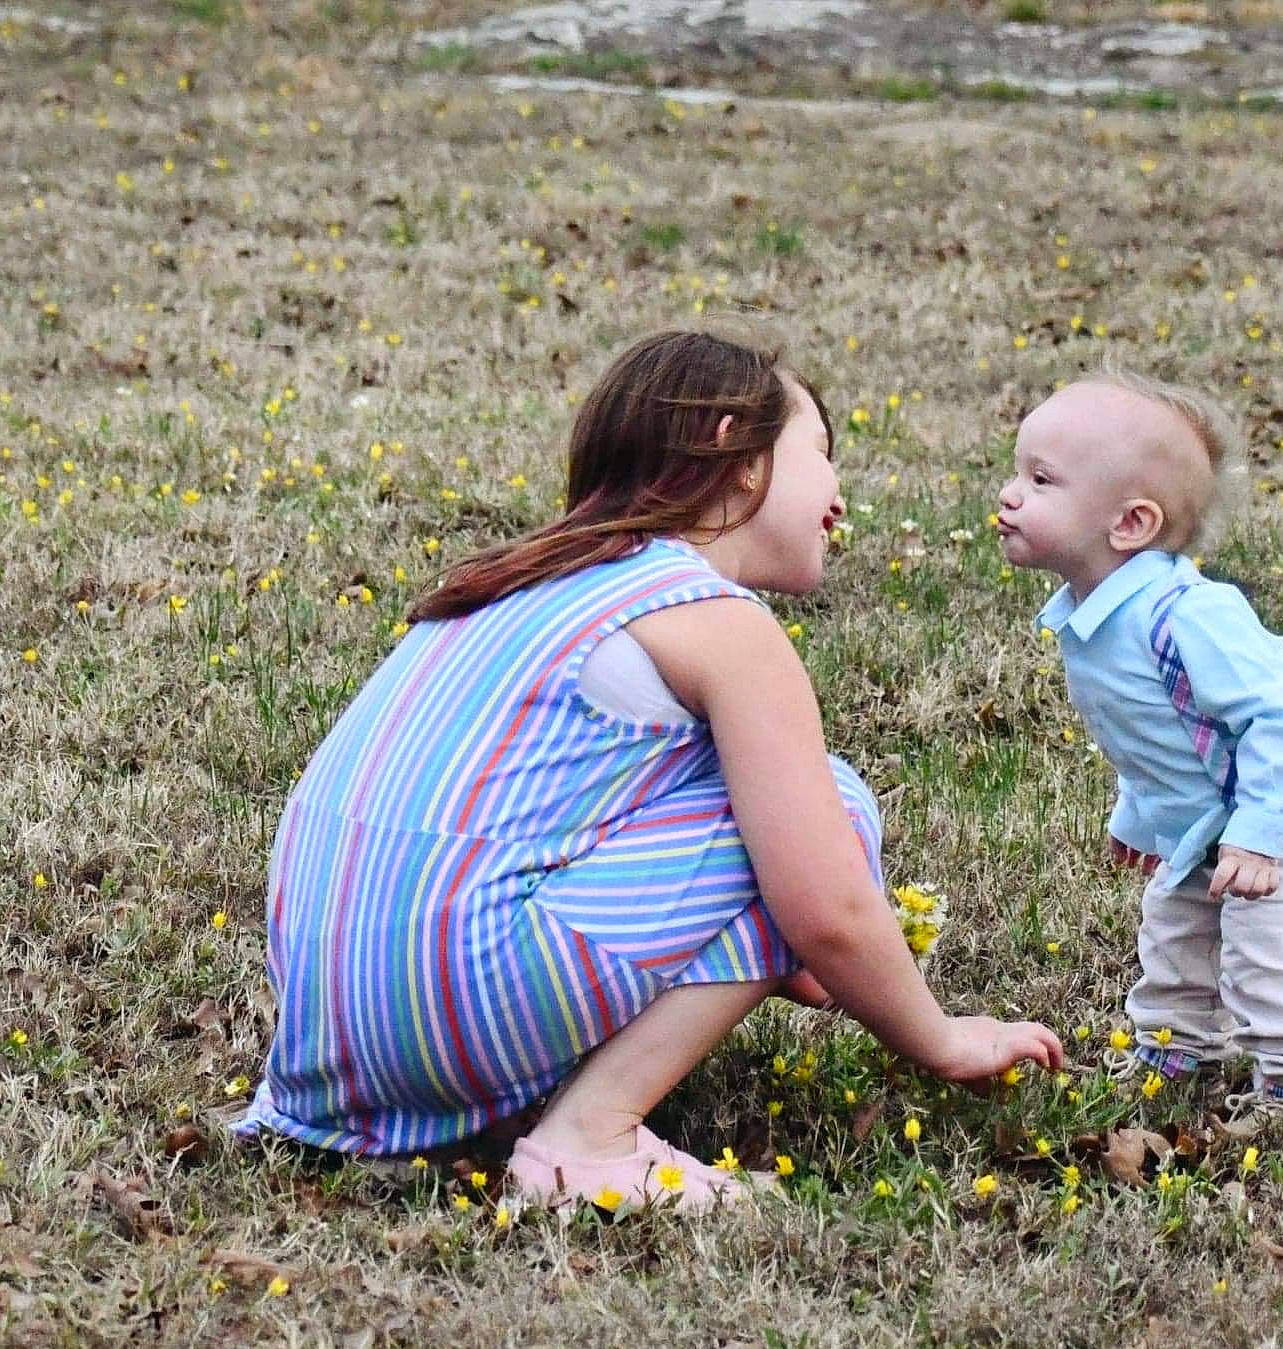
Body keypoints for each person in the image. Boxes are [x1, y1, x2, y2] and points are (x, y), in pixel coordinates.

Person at [234, 329, 1063, 1209]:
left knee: (777, 819)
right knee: (833, 801)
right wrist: (939, 1039)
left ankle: (467, 1114)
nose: (839, 493)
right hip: (448, 1001)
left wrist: (778, 951)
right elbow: (825, 906)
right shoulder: (715, 619)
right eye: (819, 452)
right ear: (735, 450)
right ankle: (587, 1140)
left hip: (325, 1049)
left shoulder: (510, 581)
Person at [994, 370, 1283, 1130]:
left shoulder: (1191, 615)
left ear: (1130, 524)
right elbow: (1153, 736)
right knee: (1178, 921)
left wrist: (1260, 834)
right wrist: (1141, 818)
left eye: (1040, 480)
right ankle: (1173, 1058)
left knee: (1275, 943)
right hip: (1218, 806)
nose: (1010, 493)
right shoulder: (1094, 614)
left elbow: (1278, 721)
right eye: (1017, 472)